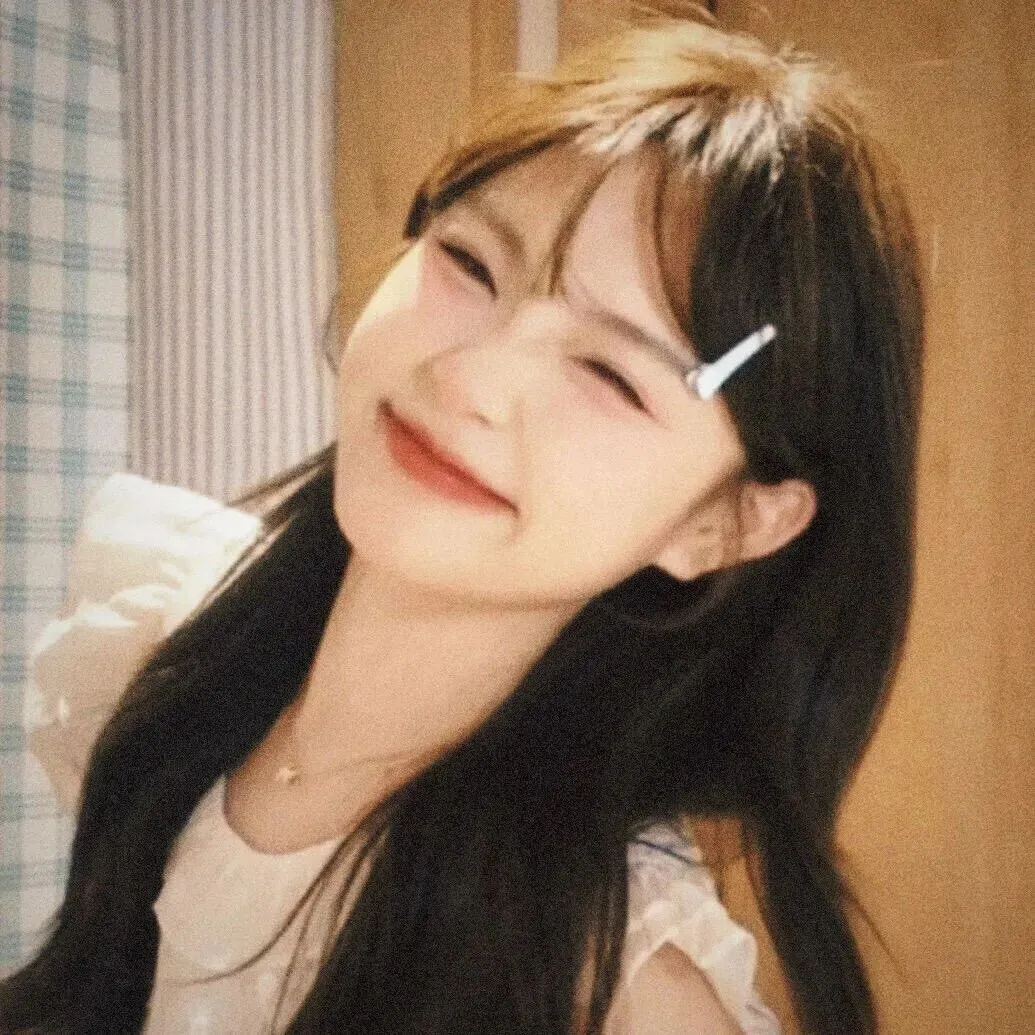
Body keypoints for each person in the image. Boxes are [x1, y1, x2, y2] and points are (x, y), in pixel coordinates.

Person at [0, 14, 923, 1035]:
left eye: (610, 373)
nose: (471, 380)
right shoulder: (171, 646)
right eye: (471, 264)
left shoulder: (612, 987)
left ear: (726, 523)